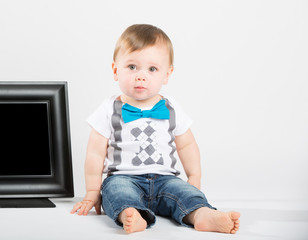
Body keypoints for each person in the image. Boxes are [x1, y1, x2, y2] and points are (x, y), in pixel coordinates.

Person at [70, 24, 240, 234]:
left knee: (186, 193)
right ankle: (131, 215)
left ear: (167, 75)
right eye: (132, 67)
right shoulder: (108, 108)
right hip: (124, 177)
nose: (141, 76)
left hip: (165, 179)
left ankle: (203, 215)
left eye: (152, 69)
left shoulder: (171, 107)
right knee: (116, 192)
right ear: (116, 70)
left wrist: (194, 177)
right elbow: (95, 153)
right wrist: (92, 191)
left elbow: (186, 145)